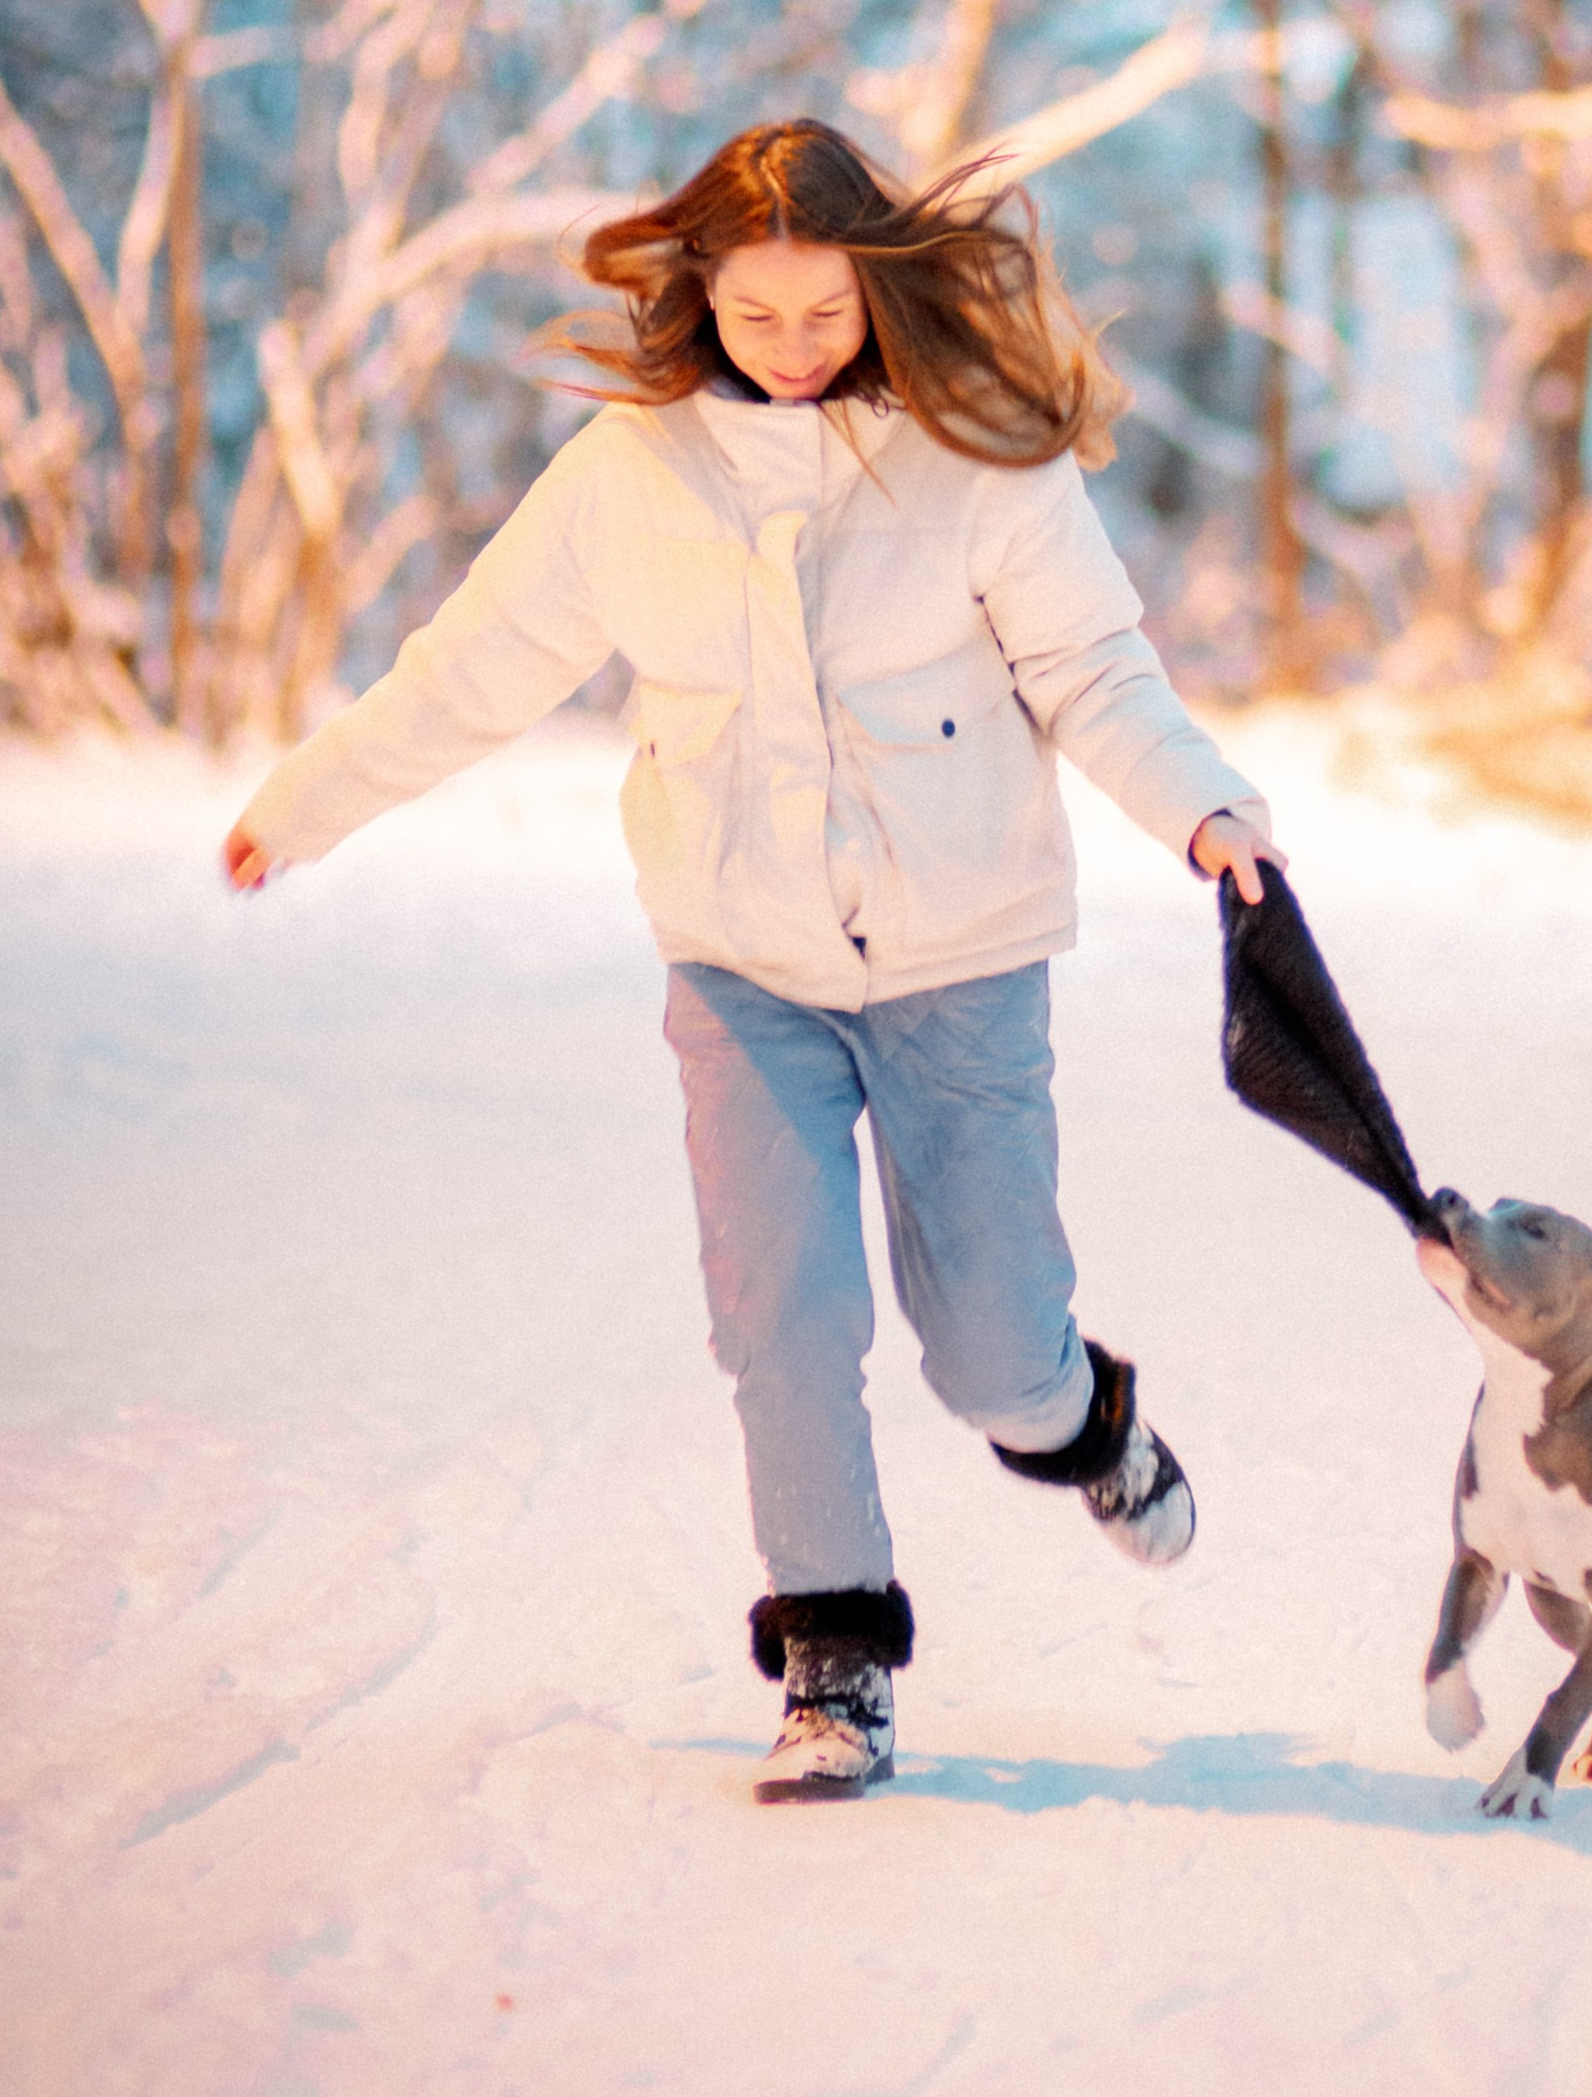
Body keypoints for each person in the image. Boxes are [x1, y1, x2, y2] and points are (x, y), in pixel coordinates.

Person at [222, 118, 1283, 1801]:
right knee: (779, 1313)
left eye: (826, 312)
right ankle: (834, 1658)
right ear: (698, 291)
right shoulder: (631, 476)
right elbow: (471, 671)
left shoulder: (978, 457)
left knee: (994, 1352)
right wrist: (307, 802)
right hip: (740, 962)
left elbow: (1096, 673)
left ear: (881, 286)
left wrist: (1209, 814)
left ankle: (1084, 1422)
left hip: (960, 957)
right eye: (754, 314)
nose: (791, 349)